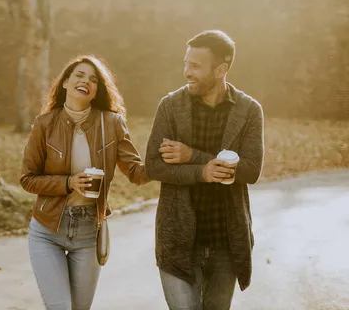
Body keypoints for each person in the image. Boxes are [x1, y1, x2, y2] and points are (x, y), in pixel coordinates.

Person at [145, 30, 265, 310]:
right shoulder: (170, 106)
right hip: (177, 239)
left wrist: (191, 156)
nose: (187, 72)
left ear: (221, 69)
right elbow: (153, 165)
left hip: (225, 242)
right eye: (186, 63)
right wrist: (202, 172)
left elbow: (251, 169)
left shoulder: (249, 110)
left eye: (195, 66)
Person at [20, 55, 149, 310]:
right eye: (79, 75)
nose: (86, 81)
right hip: (47, 230)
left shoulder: (111, 123)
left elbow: (136, 172)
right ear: (66, 82)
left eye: (93, 79)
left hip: (89, 232)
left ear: (96, 91)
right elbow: (28, 179)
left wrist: (165, 158)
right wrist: (68, 183)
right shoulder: (45, 124)